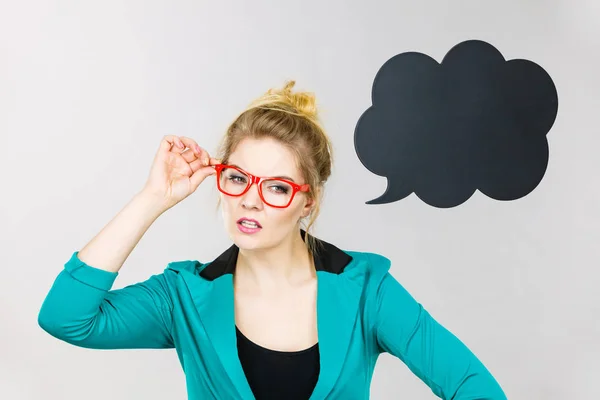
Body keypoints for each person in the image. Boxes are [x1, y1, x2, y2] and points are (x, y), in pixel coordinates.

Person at [38, 80, 507, 399]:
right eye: (239, 179)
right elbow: (66, 318)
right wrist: (153, 198)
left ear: (308, 202)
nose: (251, 201)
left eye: (278, 187)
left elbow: (473, 386)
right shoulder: (182, 296)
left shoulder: (367, 290)